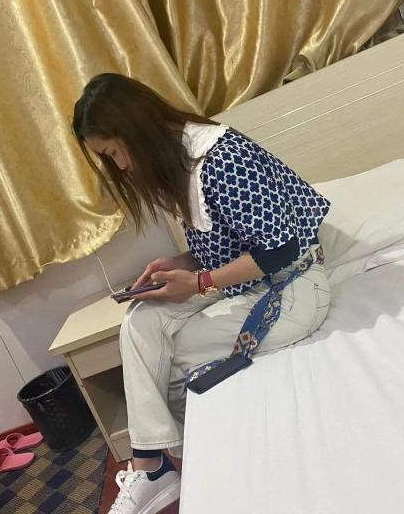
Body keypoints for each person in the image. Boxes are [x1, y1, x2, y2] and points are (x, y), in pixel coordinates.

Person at [72, 73, 331, 514]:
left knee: (168, 364)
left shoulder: (223, 157)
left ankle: (197, 470)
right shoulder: (181, 160)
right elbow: (229, 241)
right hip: (241, 281)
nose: (120, 167)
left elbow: (281, 248)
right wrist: (182, 262)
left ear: (134, 130)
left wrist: (199, 283)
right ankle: (150, 466)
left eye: (114, 153)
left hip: (292, 286)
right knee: (140, 323)